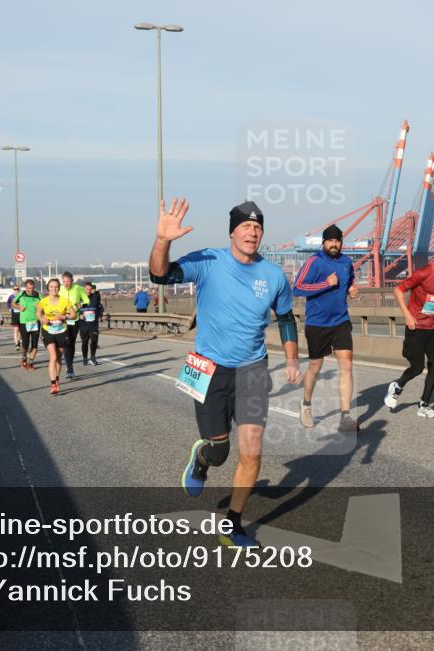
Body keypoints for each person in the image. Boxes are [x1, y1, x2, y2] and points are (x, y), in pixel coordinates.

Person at [150, 198, 301, 548]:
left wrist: (292, 360)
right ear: (232, 231)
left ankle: (233, 524)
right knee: (220, 450)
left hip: (252, 369)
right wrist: (162, 240)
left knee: (251, 450)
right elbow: (161, 275)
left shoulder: (274, 275)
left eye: (258, 227)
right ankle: (202, 460)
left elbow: (286, 318)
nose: (253, 232)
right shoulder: (208, 261)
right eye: (246, 226)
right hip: (208, 367)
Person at [292, 224, 360, 432]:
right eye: (330, 241)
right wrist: (325, 284)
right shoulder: (315, 261)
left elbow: (350, 281)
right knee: (315, 366)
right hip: (317, 323)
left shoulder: (347, 262)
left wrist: (351, 289)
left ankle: (345, 416)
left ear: (341, 243)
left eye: (337, 241)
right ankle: (306, 404)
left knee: (346, 365)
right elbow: (297, 288)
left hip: (340, 320)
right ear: (324, 243)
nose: (334, 244)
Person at [383, 238, 434, 418]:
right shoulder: (423, 273)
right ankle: (397, 385)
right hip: (417, 325)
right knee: (417, 367)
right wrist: (407, 315)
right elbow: (398, 290)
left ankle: (424, 405)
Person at [38, 278, 77, 394]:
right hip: (48, 331)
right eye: (51, 287)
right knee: (53, 357)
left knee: (59, 358)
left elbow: (74, 315)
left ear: (59, 288)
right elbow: (38, 313)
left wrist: (64, 317)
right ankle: (53, 384)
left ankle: (57, 378)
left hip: (61, 331)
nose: (54, 289)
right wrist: (42, 319)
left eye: (56, 287)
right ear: (48, 289)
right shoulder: (43, 301)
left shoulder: (64, 301)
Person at [58, 272, 89, 380]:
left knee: (71, 343)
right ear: (62, 281)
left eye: (68, 281)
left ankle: (69, 366)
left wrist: (81, 304)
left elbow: (87, 300)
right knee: (66, 343)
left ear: (72, 280)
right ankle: (69, 369)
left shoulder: (78, 288)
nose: (66, 284)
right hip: (62, 320)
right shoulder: (59, 289)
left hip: (74, 320)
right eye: (64, 281)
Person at [13, 279, 42, 370]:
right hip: (24, 322)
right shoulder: (21, 294)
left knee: (35, 345)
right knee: (25, 344)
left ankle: (30, 363)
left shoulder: (38, 295)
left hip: (35, 322)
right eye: (29, 288)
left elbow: (46, 305)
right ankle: (24, 357)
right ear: (26, 287)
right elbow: (12, 303)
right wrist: (19, 307)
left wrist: (40, 308)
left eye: (32, 288)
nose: (31, 290)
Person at [78, 281, 102, 366]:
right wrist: (79, 315)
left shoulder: (95, 297)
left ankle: (93, 357)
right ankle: (85, 358)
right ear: (84, 289)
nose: (88, 291)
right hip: (83, 324)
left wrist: (100, 316)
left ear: (91, 289)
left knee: (94, 341)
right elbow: (74, 309)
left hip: (93, 324)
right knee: (85, 342)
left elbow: (99, 307)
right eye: (87, 289)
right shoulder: (80, 298)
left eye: (90, 289)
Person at [7, 285, 22, 352]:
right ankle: (16, 344)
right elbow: (8, 302)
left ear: (19, 289)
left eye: (17, 289)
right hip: (14, 314)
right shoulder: (11, 296)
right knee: (16, 329)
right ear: (13, 290)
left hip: (21, 314)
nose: (16, 290)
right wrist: (9, 308)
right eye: (15, 289)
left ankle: (19, 341)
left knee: (20, 331)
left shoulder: (22, 296)